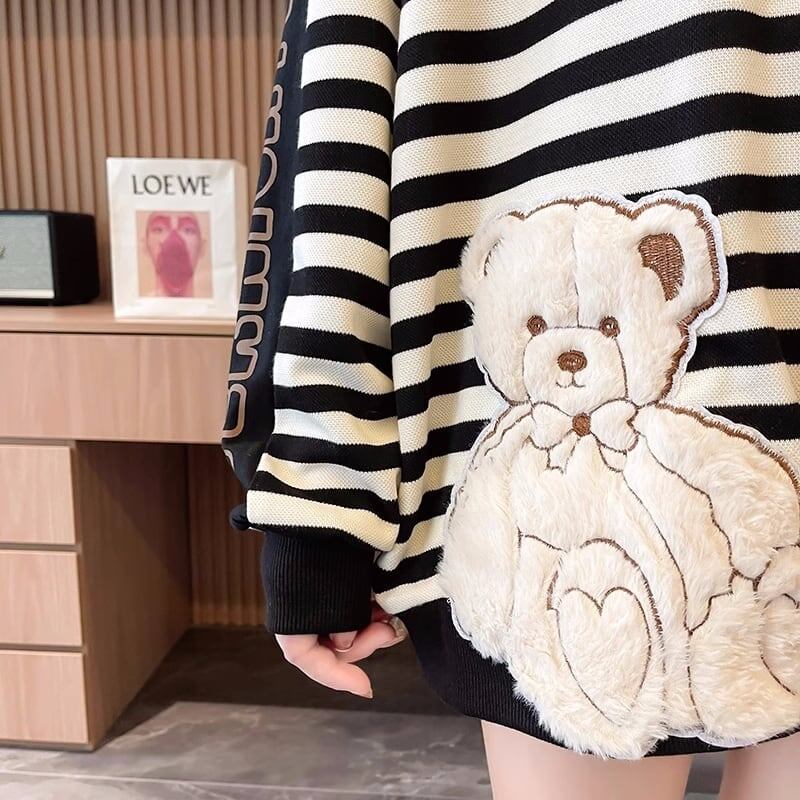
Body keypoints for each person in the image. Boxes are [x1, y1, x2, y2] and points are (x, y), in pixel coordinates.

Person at [222, 2, 800, 798]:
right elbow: (335, 152)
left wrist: (317, 517)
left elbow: (331, 171)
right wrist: (315, 525)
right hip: (570, 587)